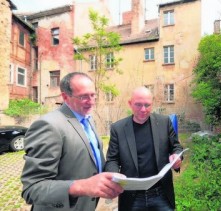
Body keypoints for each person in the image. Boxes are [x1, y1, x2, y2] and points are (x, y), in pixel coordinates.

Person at [21, 72, 124, 211]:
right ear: (65, 97)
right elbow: (33, 188)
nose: (91, 101)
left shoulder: (88, 118)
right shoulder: (48, 125)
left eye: (93, 95)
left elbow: (90, 161)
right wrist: (81, 186)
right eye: (84, 96)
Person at [105, 86, 183, 211]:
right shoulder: (118, 128)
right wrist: (114, 175)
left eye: (147, 105)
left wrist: (177, 156)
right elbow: (112, 159)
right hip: (132, 197)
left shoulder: (164, 122)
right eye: (138, 105)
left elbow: (176, 146)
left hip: (161, 194)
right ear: (130, 104)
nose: (143, 109)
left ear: (152, 104)